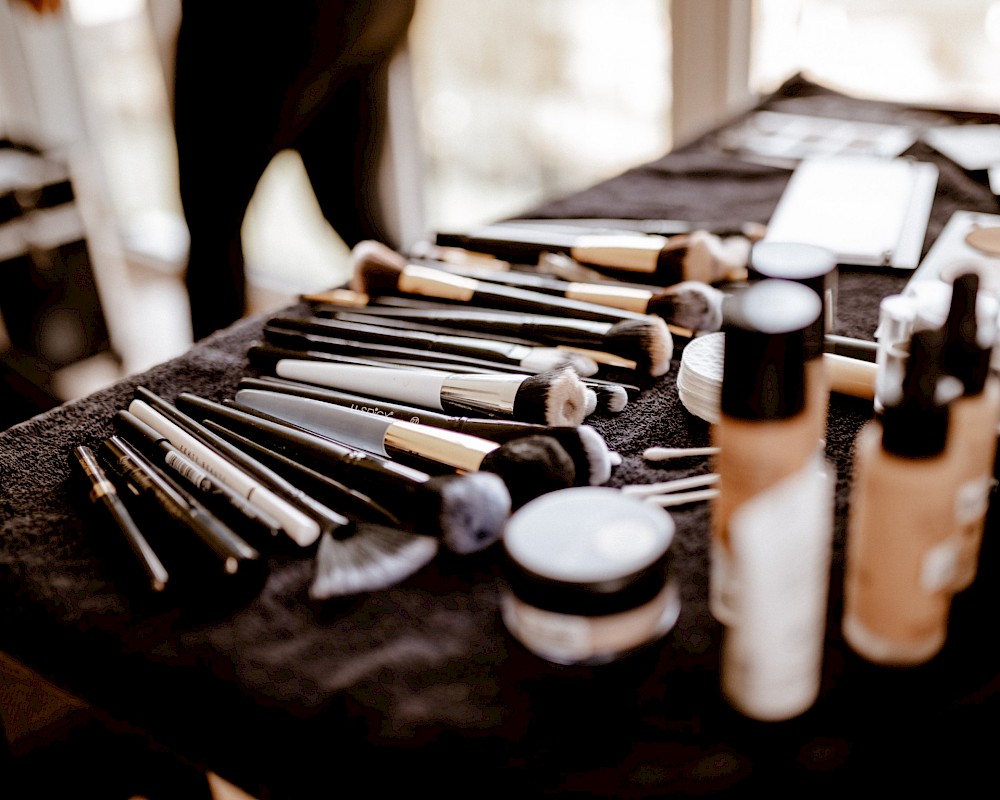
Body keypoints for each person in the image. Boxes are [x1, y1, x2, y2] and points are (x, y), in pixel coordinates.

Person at [173, 1, 417, 341]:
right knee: (361, 221)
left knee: (213, 238)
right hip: (370, 15)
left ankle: (206, 379)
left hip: (253, 30)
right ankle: (441, 336)